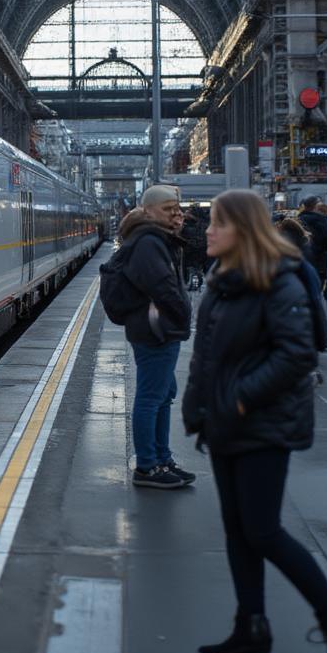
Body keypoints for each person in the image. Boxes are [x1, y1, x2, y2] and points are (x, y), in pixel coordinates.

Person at [183, 190, 327, 653]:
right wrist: (199, 406)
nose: (207, 230)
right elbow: (206, 354)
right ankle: (250, 631)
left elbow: (297, 353)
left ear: (243, 230)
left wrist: (242, 397)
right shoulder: (222, 279)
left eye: (218, 223)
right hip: (225, 421)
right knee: (237, 531)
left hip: (262, 422)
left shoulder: (278, 279)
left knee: (263, 530)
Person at [117, 183, 194, 489]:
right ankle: (147, 466)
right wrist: (182, 314)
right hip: (156, 329)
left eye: (177, 209)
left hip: (157, 327)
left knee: (163, 394)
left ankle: (162, 459)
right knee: (151, 397)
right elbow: (162, 286)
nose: (175, 214)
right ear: (148, 211)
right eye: (167, 209)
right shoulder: (148, 242)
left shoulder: (155, 238)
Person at [298, 195, 327, 296]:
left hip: (303, 264)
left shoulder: (299, 219)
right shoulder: (321, 221)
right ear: (316, 207)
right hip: (318, 265)